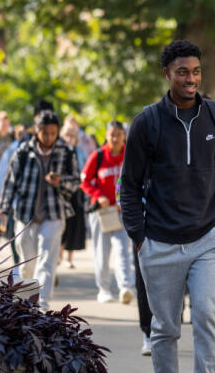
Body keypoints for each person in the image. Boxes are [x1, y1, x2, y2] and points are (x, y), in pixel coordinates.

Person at [120, 39, 215, 373]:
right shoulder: (147, 122)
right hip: (159, 242)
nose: (191, 79)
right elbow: (129, 185)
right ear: (167, 74)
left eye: (196, 72)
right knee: (166, 328)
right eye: (183, 72)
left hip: (209, 239)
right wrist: (139, 237)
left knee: (207, 316)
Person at [0, 110, 80, 310]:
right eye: (45, 133)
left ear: (58, 131)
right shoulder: (24, 151)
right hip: (25, 215)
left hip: (53, 215)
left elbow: (76, 181)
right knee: (26, 264)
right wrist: (3, 211)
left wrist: (61, 182)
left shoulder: (66, 151)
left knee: (46, 261)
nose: (49, 137)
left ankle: (41, 304)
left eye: (53, 133)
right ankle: (26, 302)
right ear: (37, 131)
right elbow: (10, 184)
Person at [81, 120, 136, 304]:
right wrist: (98, 196)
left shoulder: (130, 155)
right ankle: (104, 289)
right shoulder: (97, 156)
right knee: (102, 252)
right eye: (112, 135)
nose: (115, 138)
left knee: (123, 250)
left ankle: (126, 287)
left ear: (124, 136)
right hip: (102, 214)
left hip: (121, 211)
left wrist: (127, 199)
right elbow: (85, 181)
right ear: (106, 136)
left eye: (118, 135)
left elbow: (137, 179)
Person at [58, 123, 87, 269]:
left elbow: (85, 170)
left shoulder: (79, 152)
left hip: (77, 193)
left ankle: (69, 258)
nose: (69, 138)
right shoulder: (59, 151)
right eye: (66, 135)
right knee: (63, 225)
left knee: (74, 225)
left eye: (71, 136)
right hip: (62, 193)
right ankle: (58, 255)